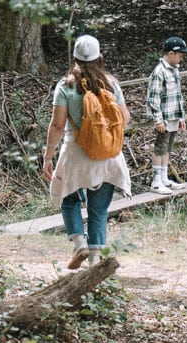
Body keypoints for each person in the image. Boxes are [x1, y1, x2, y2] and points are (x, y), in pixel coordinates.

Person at [42, 34, 132, 267]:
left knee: (68, 198)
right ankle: (94, 260)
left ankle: (79, 241)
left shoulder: (65, 85)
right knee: (99, 208)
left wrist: (48, 155)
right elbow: (125, 118)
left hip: (76, 153)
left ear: (75, 59)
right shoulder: (111, 84)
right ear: (99, 57)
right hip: (108, 155)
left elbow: (58, 125)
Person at [145, 36, 187, 194]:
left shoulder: (175, 70)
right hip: (163, 118)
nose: (182, 58)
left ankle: (165, 178)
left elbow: (178, 95)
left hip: (173, 116)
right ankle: (156, 181)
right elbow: (153, 98)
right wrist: (158, 120)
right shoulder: (159, 72)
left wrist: (181, 117)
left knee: (167, 149)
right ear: (171, 53)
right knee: (159, 148)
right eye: (180, 55)